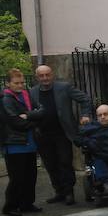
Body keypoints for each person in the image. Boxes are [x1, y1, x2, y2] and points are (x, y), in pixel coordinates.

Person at [29, 64, 91, 205]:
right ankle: (59, 191)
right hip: (42, 134)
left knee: (65, 163)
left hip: (62, 133)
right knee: (50, 165)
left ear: (52, 74)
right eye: (41, 75)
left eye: (47, 74)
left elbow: (84, 99)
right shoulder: (32, 92)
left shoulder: (64, 87)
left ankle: (69, 192)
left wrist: (85, 114)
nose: (45, 78)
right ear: (37, 77)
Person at [2, 69, 44, 216]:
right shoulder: (6, 99)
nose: (20, 85)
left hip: (30, 142)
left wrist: (28, 115)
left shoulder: (26, 95)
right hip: (14, 144)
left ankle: (27, 203)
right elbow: (15, 122)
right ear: (8, 83)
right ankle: (10, 206)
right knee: (17, 178)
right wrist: (34, 121)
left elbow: (42, 111)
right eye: (16, 83)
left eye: (22, 82)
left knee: (30, 176)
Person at [77, 104, 108, 194]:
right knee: (98, 163)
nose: (103, 117)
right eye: (100, 115)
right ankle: (106, 183)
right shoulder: (91, 128)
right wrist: (88, 142)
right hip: (100, 156)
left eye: (105, 114)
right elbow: (78, 138)